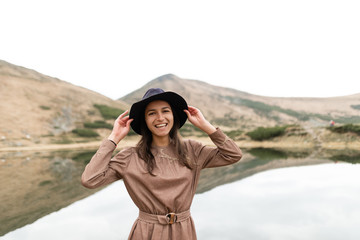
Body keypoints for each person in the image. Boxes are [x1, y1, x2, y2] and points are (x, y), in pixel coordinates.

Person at [81, 88, 243, 240]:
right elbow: (90, 180)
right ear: (145, 120)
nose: (160, 118)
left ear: (174, 116)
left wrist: (206, 126)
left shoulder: (193, 150)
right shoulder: (129, 157)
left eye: (165, 111)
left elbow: (233, 154)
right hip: (147, 232)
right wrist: (113, 138)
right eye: (152, 113)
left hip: (183, 231)